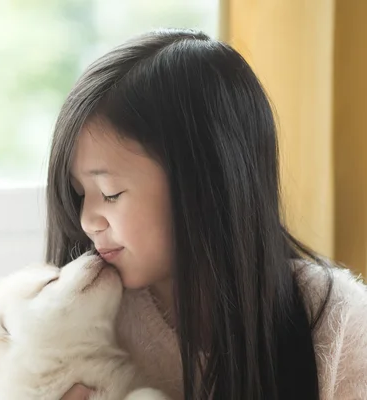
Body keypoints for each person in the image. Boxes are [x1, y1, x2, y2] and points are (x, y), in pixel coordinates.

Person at [44, 28, 367, 400]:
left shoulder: (337, 325)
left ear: (205, 181)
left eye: (111, 194)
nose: (87, 220)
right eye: (80, 193)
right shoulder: (91, 319)